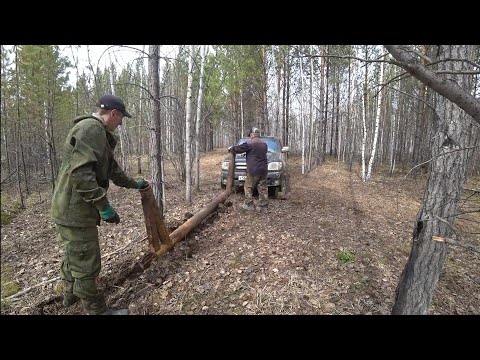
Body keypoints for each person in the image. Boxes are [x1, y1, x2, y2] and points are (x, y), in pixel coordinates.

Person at [51, 94, 149, 315]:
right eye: (121, 117)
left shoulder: (100, 134)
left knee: (74, 254)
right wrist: (103, 205)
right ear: (113, 113)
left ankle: (71, 295)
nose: (122, 122)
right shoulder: (90, 130)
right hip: (75, 210)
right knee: (87, 261)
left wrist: (134, 184)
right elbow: (81, 174)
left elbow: (112, 169)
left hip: (72, 209)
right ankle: (98, 311)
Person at [228, 127, 268, 213]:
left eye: (250, 135)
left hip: (253, 170)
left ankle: (249, 205)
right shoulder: (264, 143)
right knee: (262, 188)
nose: (250, 136)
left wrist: (232, 149)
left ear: (252, 134)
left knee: (248, 187)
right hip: (263, 170)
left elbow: (239, 148)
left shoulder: (251, 143)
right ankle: (263, 207)